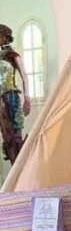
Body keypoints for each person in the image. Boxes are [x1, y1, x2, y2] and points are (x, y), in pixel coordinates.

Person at [0, 24, 31, 165]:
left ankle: (19, 168)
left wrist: (27, 99)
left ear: (5, 37)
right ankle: (13, 167)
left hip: (11, 97)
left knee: (15, 135)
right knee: (6, 136)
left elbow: (24, 76)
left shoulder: (13, 55)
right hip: (0, 100)